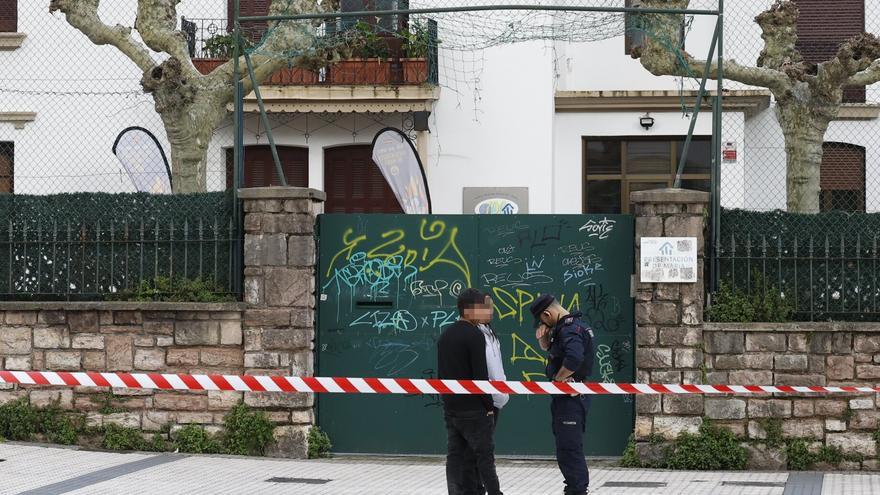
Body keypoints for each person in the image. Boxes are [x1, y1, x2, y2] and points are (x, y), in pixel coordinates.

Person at [437, 288, 503, 495]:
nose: (488, 311)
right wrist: (488, 407)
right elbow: (480, 377)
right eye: (483, 307)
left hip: (452, 409)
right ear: (468, 310)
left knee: (456, 456)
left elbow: (442, 374)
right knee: (484, 457)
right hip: (475, 410)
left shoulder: (445, 334)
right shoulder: (475, 336)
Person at [530, 294, 595, 495]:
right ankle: (575, 488)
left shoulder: (569, 329)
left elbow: (574, 357)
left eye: (542, 320)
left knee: (569, 449)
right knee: (567, 447)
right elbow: (560, 353)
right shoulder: (571, 327)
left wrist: (559, 379)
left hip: (570, 398)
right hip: (568, 398)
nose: (542, 324)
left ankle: (576, 490)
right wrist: (545, 341)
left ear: (547, 314)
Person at [472, 295, 509, 494]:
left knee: (484, 450)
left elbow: (497, 368)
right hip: (485, 400)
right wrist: (489, 399)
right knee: (482, 452)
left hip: (495, 399)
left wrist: (501, 395)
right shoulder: (474, 334)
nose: (492, 311)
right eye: (488, 308)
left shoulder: (490, 333)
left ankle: (482, 488)